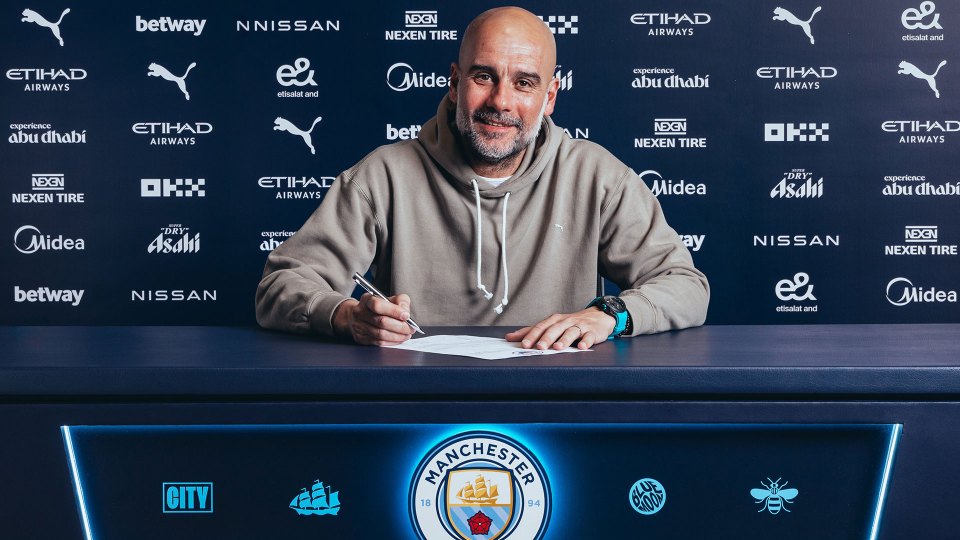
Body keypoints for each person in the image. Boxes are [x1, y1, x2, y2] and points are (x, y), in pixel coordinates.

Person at [256, 7, 709, 350]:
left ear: (549, 96)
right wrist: (346, 315)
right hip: (416, 401)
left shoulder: (598, 177)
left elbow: (686, 286)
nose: (501, 101)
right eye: (483, 76)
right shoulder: (384, 175)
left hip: (561, 404)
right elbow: (281, 286)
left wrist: (609, 316)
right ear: (455, 84)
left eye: (525, 83)